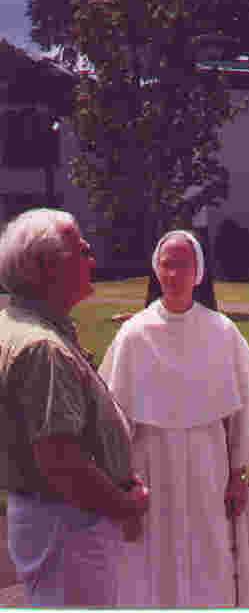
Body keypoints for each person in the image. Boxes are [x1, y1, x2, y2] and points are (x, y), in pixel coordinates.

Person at [99, 230, 249, 607]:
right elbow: (116, 420)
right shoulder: (134, 335)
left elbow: (239, 414)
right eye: (167, 264)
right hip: (152, 464)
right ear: (155, 270)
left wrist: (238, 476)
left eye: (183, 265)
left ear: (199, 272)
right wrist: (123, 482)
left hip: (208, 465)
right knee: (155, 559)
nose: (174, 273)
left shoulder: (221, 331)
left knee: (208, 555)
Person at [0, 208, 149, 606]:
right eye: (82, 251)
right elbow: (61, 461)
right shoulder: (42, 348)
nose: (92, 260)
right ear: (46, 267)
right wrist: (124, 505)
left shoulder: (21, 326)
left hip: (58, 521)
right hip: (69, 527)